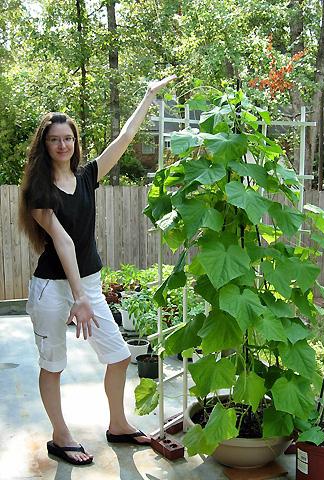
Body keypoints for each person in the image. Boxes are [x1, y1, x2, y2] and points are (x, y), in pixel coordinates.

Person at [18, 75, 176, 466]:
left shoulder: (87, 177)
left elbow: (123, 139)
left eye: (67, 138)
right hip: (52, 289)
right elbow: (63, 241)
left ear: (75, 142)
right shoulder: (39, 189)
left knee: (119, 355)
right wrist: (80, 299)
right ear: (45, 145)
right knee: (52, 364)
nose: (62, 145)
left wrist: (148, 95)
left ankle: (118, 424)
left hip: (85, 282)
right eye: (54, 139)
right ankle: (61, 435)